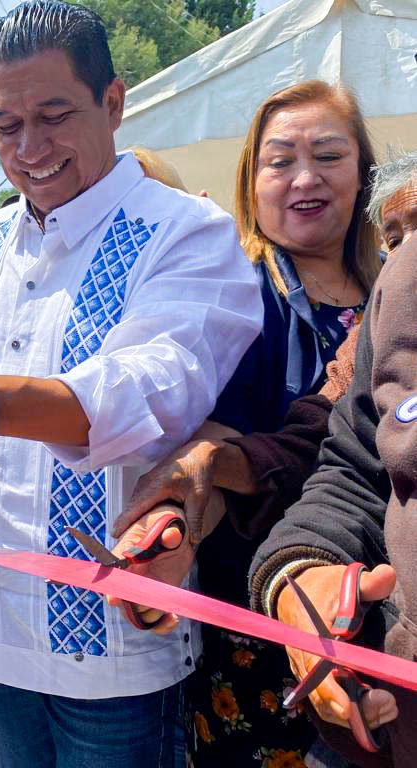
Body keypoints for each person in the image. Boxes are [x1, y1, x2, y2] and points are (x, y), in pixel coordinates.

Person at [0, 4, 262, 766]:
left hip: (112, 648)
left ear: (112, 101)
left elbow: (154, 385)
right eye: (6, 126)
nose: (29, 148)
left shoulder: (183, 231)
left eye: (53, 115)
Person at [110, 81, 382, 767]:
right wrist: (171, 519)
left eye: (326, 156)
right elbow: (201, 441)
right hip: (256, 617)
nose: (303, 177)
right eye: (279, 159)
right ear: (250, 180)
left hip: (381, 608)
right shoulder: (231, 290)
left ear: (362, 177)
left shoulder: (394, 293)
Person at [250, 232, 417, 768]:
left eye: (327, 156)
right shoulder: (406, 278)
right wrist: (303, 571)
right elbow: (359, 463)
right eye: (397, 230)